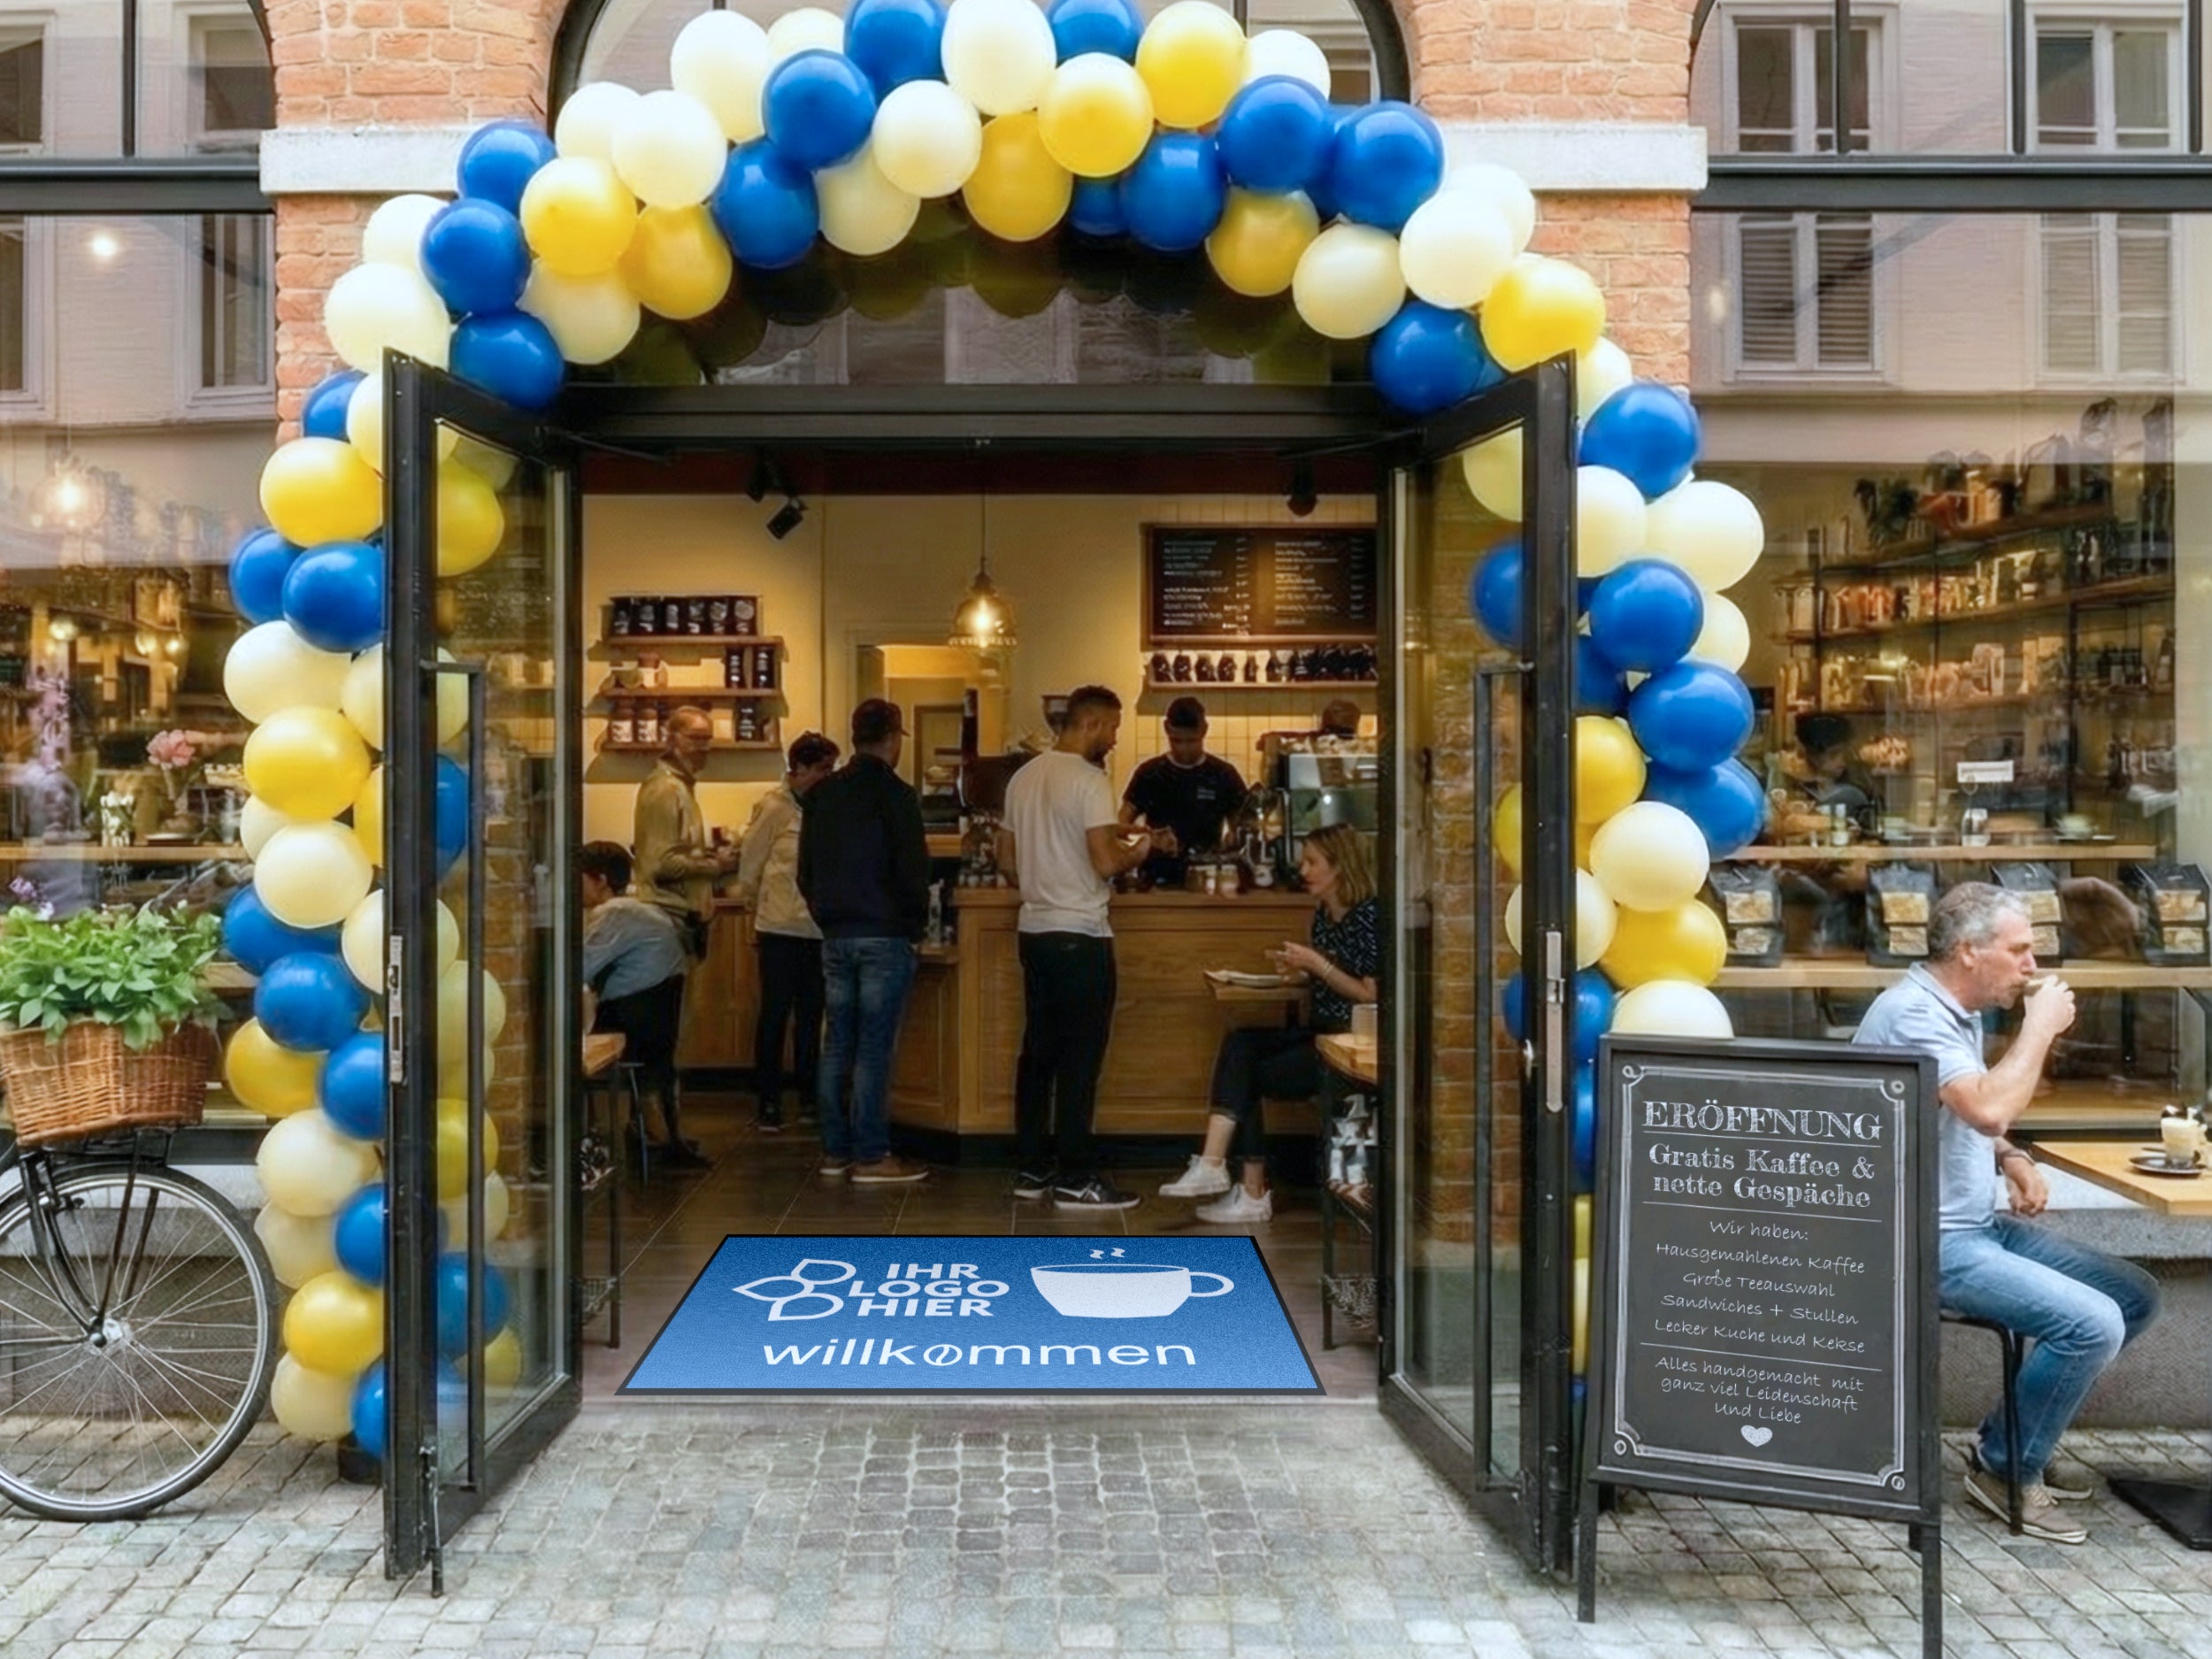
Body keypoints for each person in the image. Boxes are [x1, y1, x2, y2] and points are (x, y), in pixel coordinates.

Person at [1854, 882, 2158, 1544]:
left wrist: (2011, 1156)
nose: (2032, 965)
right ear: (1969, 951)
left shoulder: (1950, 1010)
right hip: (1921, 1237)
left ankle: (2008, 1442)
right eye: (2019, 950)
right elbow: (1986, 1102)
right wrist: (2040, 1028)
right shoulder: (1914, 1013)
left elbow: (1962, 1103)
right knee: (2093, 1322)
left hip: (1972, 1226)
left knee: (2133, 1294)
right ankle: (2004, 1468)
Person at [1160, 823, 1379, 1222]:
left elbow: (1370, 993)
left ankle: (1249, 1189)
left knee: (1250, 1073)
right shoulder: (1323, 915)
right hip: (1321, 1030)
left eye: (1313, 862)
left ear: (1341, 867)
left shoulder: (1368, 916)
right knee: (1241, 1042)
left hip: (1350, 1045)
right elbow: (1329, 976)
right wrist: (1299, 972)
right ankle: (1217, 1168)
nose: (1303, 870)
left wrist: (1318, 965)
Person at [999, 684, 1157, 1210]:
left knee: (1038, 1055)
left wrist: (1048, 874)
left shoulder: (1024, 776)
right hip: (1081, 935)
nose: (1114, 739)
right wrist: (1143, 850)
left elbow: (1006, 860)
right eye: (1112, 728)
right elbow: (1106, 863)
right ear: (1090, 724)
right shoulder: (1090, 780)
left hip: (1034, 931)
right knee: (1080, 1059)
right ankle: (1075, 1177)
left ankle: (1031, 1168)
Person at [796, 699, 931, 1184]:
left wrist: (825, 915)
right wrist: (914, 928)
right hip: (884, 932)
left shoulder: (822, 794)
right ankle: (873, 1155)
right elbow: (913, 873)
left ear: (854, 736)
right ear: (894, 737)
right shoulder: (897, 795)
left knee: (837, 1046)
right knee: (874, 1049)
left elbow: (805, 872)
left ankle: (835, 1152)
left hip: (835, 934)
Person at [580, 841, 709, 1170]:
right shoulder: (642, 909)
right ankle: (648, 1128)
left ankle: (580, 1140)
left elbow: (580, 968)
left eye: (579, 879)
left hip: (632, 1030)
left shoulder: (614, 913)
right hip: (656, 1027)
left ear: (601, 880)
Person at [735, 731, 841, 1133]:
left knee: (813, 1018)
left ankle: (810, 1096)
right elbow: (752, 863)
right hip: (779, 925)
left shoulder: (826, 807)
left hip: (816, 928)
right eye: (822, 769)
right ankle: (768, 1100)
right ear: (799, 769)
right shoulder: (775, 808)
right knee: (775, 1015)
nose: (828, 776)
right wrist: (751, 910)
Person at [632, 705, 740, 956]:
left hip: (682, 919)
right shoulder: (666, 790)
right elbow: (662, 864)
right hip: (670, 919)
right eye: (695, 738)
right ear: (671, 740)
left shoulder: (681, 788)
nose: (704, 748)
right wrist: (716, 866)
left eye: (707, 739)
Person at [1119, 696, 1245, 888]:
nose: (1184, 749)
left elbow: (1244, 825)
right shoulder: (1150, 774)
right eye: (1177, 741)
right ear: (1166, 729)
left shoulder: (1223, 774)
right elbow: (1121, 825)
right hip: (1156, 880)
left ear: (1204, 730)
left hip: (1207, 878)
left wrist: (1234, 838)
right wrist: (1148, 838)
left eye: (1192, 741)